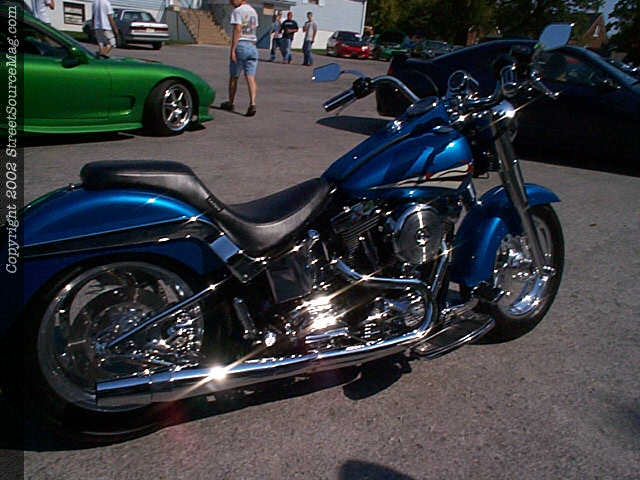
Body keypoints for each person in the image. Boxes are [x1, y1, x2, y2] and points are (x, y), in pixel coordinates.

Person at [220, 0, 259, 117]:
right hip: (252, 46)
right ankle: (252, 103)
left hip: (241, 44)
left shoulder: (238, 11)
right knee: (250, 77)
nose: (231, 2)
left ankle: (231, 102)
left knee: (234, 76)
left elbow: (237, 29)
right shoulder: (253, 11)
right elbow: (254, 29)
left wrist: (233, 49)